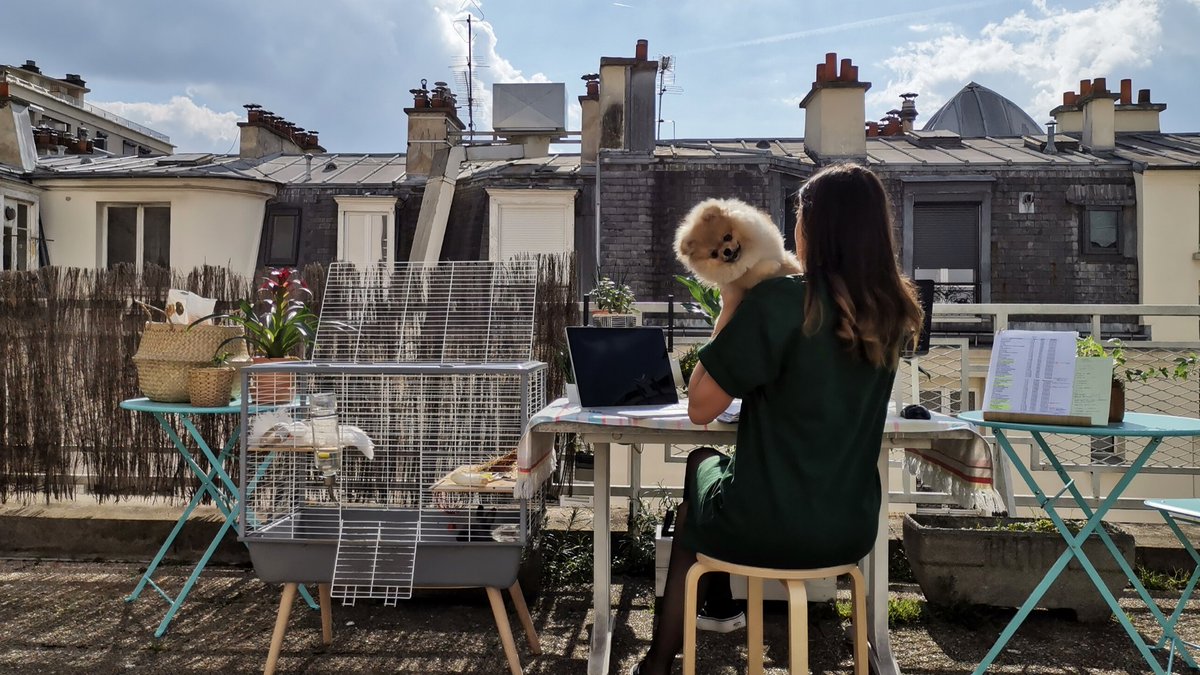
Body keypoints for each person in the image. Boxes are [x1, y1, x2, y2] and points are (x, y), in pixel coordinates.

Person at [632, 163, 924, 675]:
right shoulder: (892, 310)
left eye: (799, 221)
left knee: (702, 462)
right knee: (717, 485)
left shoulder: (783, 302)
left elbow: (701, 407)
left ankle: (660, 659)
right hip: (849, 530)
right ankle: (721, 611)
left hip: (763, 525)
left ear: (812, 228)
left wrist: (729, 302)